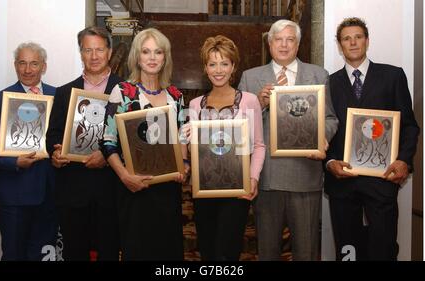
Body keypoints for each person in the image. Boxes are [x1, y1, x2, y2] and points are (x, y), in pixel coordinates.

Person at [238, 19, 339, 261]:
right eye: (278, 39)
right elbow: (239, 128)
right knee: (268, 251)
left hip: (305, 175)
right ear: (270, 43)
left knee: (306, 251)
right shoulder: (250, 79)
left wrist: (320, 137)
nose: (284, 45)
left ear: (298, 44)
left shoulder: (318, 75)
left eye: (290, 39)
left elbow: (330, 118)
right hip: (267, 178)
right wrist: (260, 105)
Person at [324, 17, 419, 261]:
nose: (353, 42)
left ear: (367, 40)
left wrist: (404, 161)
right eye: (346, 38)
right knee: (348, 252)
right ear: (339, 44)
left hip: (382, 179)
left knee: (384, 248)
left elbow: (409, 127)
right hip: (342, 181)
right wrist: (330, 162)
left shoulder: (393, 76)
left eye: (358, 37)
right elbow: (322, 129)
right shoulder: (328, 83)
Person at [100, 28, 187, 260]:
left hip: (167, 188)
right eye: (146, 51)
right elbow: (107, 141)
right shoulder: (122, 92)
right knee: (137, 251)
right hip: (133, 187)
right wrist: (125, 177)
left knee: (168, 252)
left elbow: (181, 138)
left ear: (165, 57)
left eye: (158, 52)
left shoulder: (176, 95)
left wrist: (184, 164)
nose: (152, 57)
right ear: (137, 57)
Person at [46, 26, 122, 260]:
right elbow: (53, 135)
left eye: (99, 49)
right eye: (88, 50)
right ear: (81, 53)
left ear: (109, 52)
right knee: (74, 252)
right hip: (73, 189)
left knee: (110, 251)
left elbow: (131, 138)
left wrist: (108, 156)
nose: (94, 56)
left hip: (111, 190)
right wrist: (55, 153)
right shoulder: (65, 92)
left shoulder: (127, 90)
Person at [188, 35, 265, 260]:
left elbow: (259, 145)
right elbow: (194, 151)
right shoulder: (194, 105)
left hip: (236, 189)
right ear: (205, 68)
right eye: (212, 64)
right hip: (204, 190)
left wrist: (253, 178)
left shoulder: (249, 100)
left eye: (224, 63)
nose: (218, 70)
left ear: (233, 67)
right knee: (208, 251)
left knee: (228, 251)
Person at [0, 42, 57, 260]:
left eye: (34, 63)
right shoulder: (0, 98)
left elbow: (61, 138)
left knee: (43, 255)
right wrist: (12, 163)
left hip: (48, 195)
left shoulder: (57, 96)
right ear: (15, 65)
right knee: (13, 254)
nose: (27, 69)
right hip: (13, 193)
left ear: (44, 66)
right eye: (22, 63)